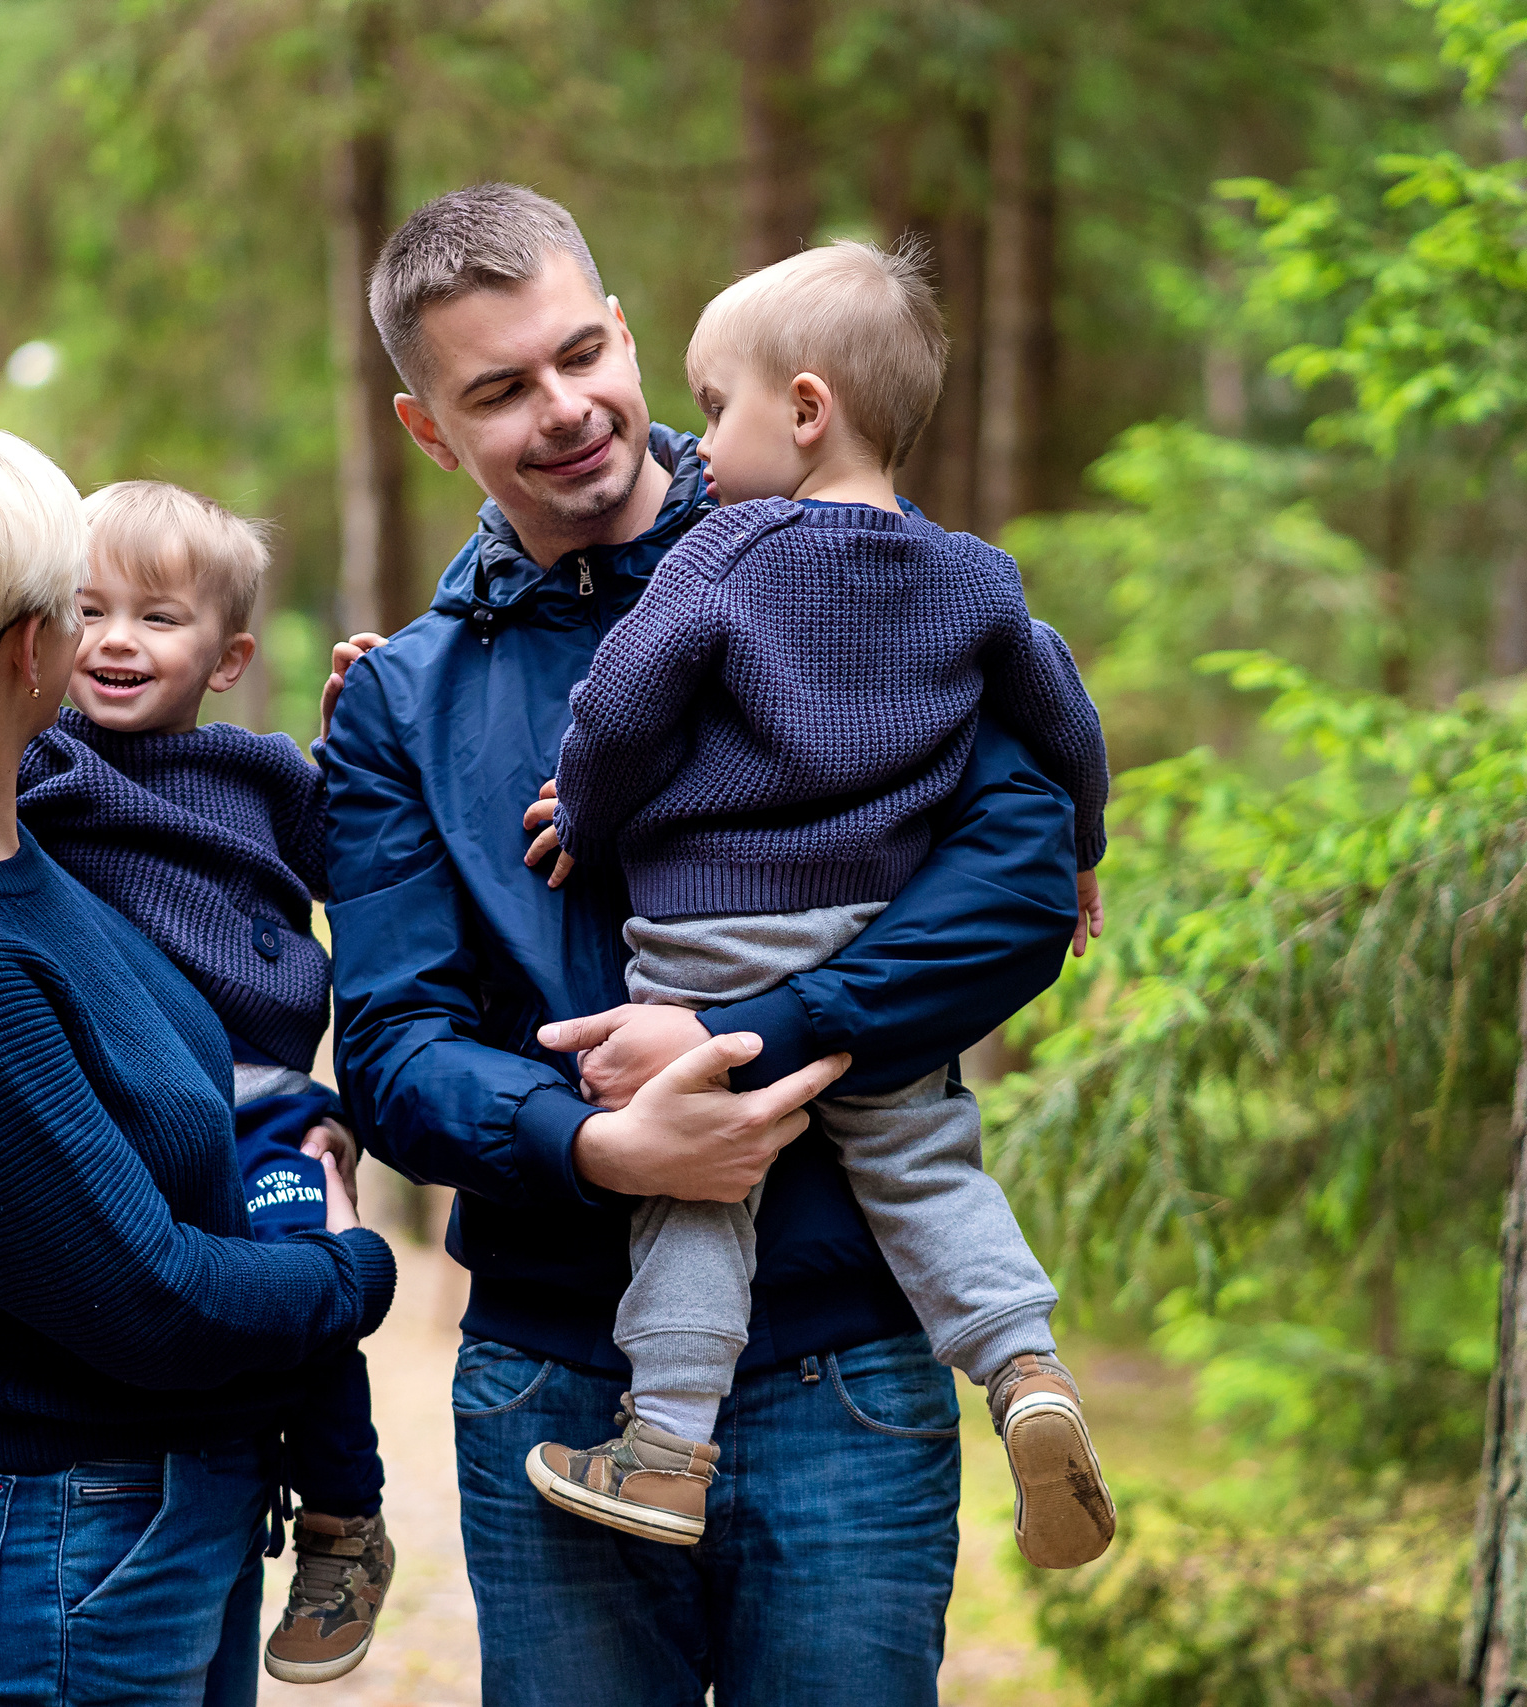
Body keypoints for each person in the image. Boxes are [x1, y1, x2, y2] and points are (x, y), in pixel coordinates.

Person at [319, 183, 1086, 1704]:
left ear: (623, 328)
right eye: (500, 390)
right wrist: (604, 1149)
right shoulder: (402, 704)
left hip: (847, 1372)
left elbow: (1021, 880)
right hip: (554, 1371)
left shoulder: (863, 574)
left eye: (581, 352)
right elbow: (396, 1060)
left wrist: (763, 1039)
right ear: (429, 430)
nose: (568, 410)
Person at [0, 418, 396, 1707]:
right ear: (28, 652)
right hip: (74, 1529)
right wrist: (354, 1267)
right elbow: (153, 1298)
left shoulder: (1, 829)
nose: (105, 637)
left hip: (158, 1495)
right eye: (77, 607)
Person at [528, 239, 1116, 1569]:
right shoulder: (974, 576)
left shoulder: (727, 548)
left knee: (693, 1190)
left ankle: (666, 1446)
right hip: (874, 941)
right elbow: (1060, 713)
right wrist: (1081, 842)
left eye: (715, 406)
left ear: (804, 410)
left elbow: (624, 706)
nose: (700, 442)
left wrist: (586, 810)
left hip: (709, 939)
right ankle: (1026, 1372)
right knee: (923, 1159)